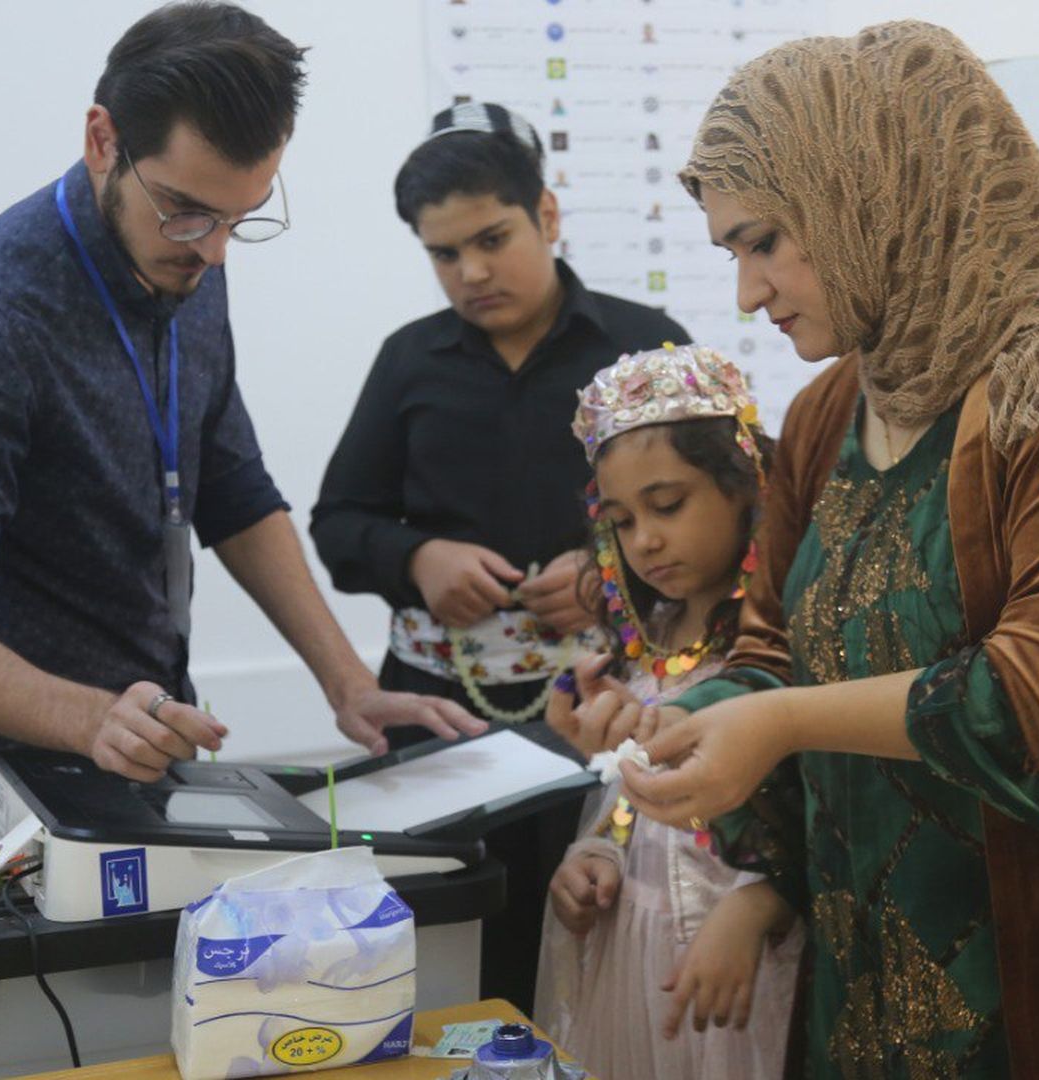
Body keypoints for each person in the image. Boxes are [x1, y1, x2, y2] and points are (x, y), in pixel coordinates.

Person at [576, 22, 1039, 1078]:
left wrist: (777, 722)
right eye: (734, 252)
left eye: (765, 240)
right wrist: (689, 719)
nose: (748, 293)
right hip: (877, 971)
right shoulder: (829, 413)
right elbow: (772, 648)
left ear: (867, 187)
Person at [0, 1, 484, 836]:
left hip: (149, 743)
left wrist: (346, 680)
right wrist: (92, 719)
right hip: (4, 780)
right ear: (103, 142)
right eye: (188, 211)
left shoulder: (191, 256)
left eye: (243, 216)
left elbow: (234, 492)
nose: (215, 251)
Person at [309, 101, 686, 1009]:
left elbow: (731, 523)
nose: (472, 272)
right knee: (433, 963)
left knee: (592, 958)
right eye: (444, 254)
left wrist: (612, 574)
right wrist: (418, 557)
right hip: (438, 718)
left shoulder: (644, 346)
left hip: (608, 716)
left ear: (546, 217)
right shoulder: (410, 362)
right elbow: (337, 523)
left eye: (493, 238)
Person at [531, 345, 801, 1079]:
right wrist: (595, 852)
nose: (644, 540)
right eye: (620, 521)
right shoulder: (646, 644)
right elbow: (633, 794)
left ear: (746, 487)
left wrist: (758, 904)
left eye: (668, 505)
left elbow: (820, 809)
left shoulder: (786, 644)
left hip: (744, 951)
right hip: (638, 948)